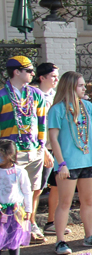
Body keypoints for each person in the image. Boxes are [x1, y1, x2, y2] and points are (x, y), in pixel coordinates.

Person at [47, 72, 92, 255]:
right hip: (68, 164)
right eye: (81, 85)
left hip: (88, 160)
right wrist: (61, 163)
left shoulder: (88, 107)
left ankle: (89, 236)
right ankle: (60, 241)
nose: (84, 88)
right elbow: (54, 139)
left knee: (87, 201)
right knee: (65, 203)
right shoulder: (57, 109)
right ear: (70, 87)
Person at [0, 56, 51, 245]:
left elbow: (42, 122)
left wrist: (43, 148)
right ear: (16, 72)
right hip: (11, 154)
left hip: (34, 150)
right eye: (28, 70)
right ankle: (10, 230)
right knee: (12, 194)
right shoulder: (2, 96)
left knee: (34, 190)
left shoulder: (36, 94)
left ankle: (29, 225)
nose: (32, 74)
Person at [33, 63, 64, 237]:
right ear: (42, 77)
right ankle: (30, 223)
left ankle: (51, 222)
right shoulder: (35, 96)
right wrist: (43, 147)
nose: (56, 79)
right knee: (37, 188)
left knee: (57, 185)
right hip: (42, 148)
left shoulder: (57, 96)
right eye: (53, 76)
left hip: (56, 147)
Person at [0, 139, 31, 255]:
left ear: (10, 155)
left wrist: (28, 209)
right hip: (1, 210)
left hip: (15, 211)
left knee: (15, 234)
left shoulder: (19, 172)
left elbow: (27, 191)